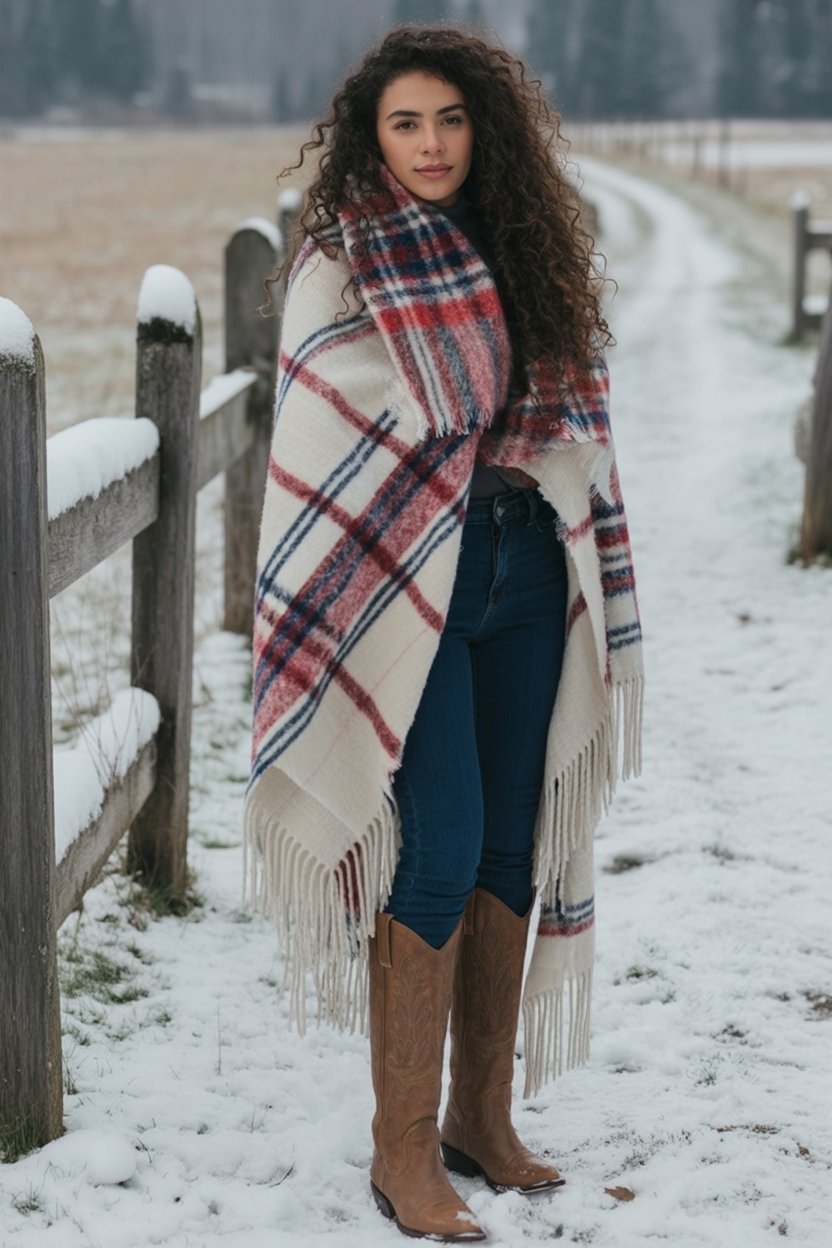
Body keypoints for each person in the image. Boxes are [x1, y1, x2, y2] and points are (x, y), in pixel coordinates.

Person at [245, 25, 643, 1243]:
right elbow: (332, 444)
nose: (429, 145)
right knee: (438, 847)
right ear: (372, 135)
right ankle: (401, 1149)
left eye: (451, 121)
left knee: (511, 844)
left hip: (526, 562)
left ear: (487, 130)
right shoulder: (341, 262)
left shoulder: (528, 246)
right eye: (405, 124)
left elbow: (566, 411)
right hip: (399, 583)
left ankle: (481, 1117)